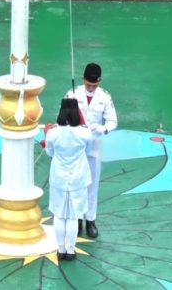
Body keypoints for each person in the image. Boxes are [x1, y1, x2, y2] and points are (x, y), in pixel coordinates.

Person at [64, 63, 117, 239]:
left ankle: (91, 220)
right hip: (76, 146)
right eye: (88, 84)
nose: (91, 88)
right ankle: (78, 219)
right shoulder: (73, 94)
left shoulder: (104, 97)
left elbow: (112, 121)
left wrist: (103, 128)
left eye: (94, 85)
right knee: (77, 182)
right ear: (83, 79)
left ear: (99, 81)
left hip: (94, 145)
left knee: (92, 184)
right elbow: (61, 116)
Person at [45, 98, 102, 261]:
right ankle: (70, 250)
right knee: (73, 216)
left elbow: (50, 152)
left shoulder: (52, 133)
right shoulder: (85, 133)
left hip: (59, 178)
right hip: (78, 178)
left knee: (59, 215)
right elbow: (88, 151)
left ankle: (61, 249)